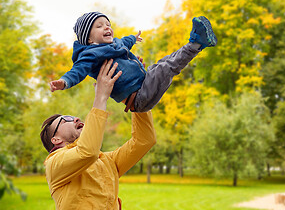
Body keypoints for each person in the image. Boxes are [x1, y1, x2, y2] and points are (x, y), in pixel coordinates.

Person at [40, 59, 157, 210]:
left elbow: (144, 140)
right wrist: (101, 95)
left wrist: (135, 96)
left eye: (73, 116)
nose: (75, 118)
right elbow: (88, 152)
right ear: (55, 139)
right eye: (65, 120)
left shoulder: (107, 161)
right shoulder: (54, 164)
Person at [50, 12, 217, 112]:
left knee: (163, 62)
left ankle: (197, 42)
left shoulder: (114, 43)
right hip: (138, 98)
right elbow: (77, 71)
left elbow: (125, 41)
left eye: (108, 24)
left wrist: (134, 38)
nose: (107, 27)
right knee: (168, 67)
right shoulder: (90, 54)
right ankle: (196, 43)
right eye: (99, 26)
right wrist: (64, 82)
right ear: (89, 39)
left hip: (144, 81)